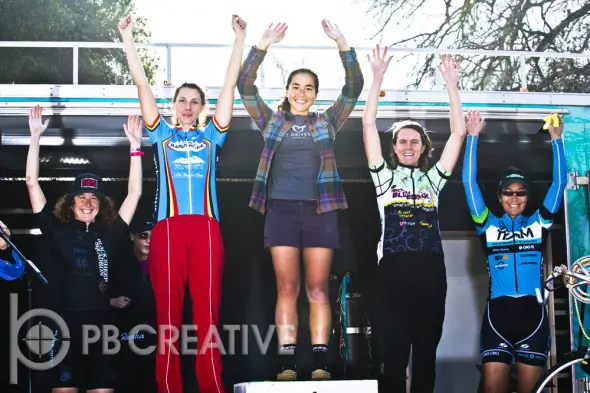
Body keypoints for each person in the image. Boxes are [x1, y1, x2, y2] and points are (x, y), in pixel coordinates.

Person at [118, 13, 247, 393]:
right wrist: (127, 38)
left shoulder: (212, 136)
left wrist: (240, 39)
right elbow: (141, 82)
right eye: (182, 100)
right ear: (172, 105)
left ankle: (213, 387)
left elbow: (229, 86)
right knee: (168, 320)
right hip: (168, 232)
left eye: (194, 102)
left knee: (207, 318)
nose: (188, 106)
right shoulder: (159, 133)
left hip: (206, 230)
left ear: (202, 107)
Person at [236, 20, 364, 381]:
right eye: (296, 87)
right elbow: (245, 86)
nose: (302, 92)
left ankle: (322, 362)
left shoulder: (327, 122)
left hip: (320, 211)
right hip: (280, 211)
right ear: (288, 91)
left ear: (315, 93)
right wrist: (262, 43)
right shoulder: (271, 121)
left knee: (317, 287)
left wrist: (342, 42)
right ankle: (286, 363)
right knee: (287, 287)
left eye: (309, 88)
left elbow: (354, 87)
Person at [361, 45, 466, 392]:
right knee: (393, 360)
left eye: (415, 141)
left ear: (423, 147)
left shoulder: (433, 181)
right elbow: (367, 123)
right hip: (392, 273)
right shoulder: (384, 178)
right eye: (402, 141)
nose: (408, 146)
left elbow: (458, 134)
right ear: (394, 147)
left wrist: (452, 85)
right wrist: (376, 78)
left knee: (425, 359)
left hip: (430, 274)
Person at [25, 105, 143, 393]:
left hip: (101, 329)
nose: (88, 201)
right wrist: (35, 138)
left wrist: (136, 148)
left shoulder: (111, 232)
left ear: (101, 204)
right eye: (82, 196)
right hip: (63, 326)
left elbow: (135, 193)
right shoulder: (57, 228)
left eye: (94, 197)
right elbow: (31, 183)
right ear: (71, 201)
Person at [461, 110, 567, 393]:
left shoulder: (538, 223)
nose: (515, 197)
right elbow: (469, 184)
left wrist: (557, 141)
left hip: (533, 318)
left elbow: (559, 184)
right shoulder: (488, 226)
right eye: (508, 192)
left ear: (527, 197)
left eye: (521, 192)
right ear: (499, 196)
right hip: (498, 316)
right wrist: (472, 137)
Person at [110, 217, 156, 393]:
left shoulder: (165, 264)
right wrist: (111, 301)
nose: (149, 240)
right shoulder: (118, 263)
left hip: (156, 337)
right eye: (143, 235)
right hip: (125, 336)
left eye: (154, 236)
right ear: (132, 237)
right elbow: (98, 292)